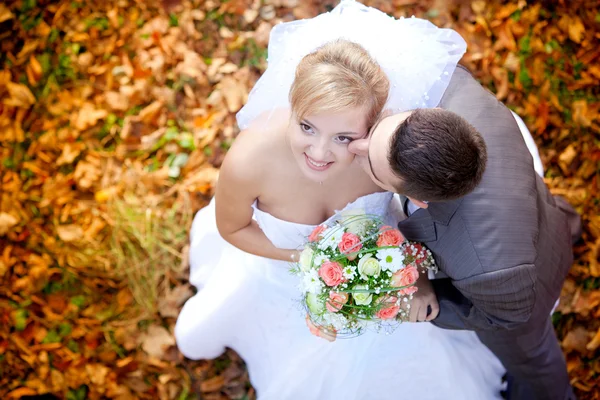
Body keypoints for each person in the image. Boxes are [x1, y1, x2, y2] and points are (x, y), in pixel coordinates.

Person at [176, 1, 507, 399]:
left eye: (344, 138)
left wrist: (414, 277)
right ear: (293, 105)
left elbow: (406, 218)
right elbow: (231, 227)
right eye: (307, 126)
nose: (319, 152)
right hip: (277, 269)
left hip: (375, 275)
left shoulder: (381, 162)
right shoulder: (248, 162)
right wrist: (304, 259)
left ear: (370, 130)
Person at [348, 66, 581, 400]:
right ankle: (570, 224)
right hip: (531, 203)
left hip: (519, 289)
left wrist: (429, 301)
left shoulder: (492, 272)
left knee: (533, 358)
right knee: (547, 216)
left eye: (370, 161)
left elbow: (503, 316)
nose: (357, 144)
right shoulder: (455, 88)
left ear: (418, 200)